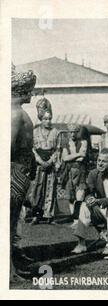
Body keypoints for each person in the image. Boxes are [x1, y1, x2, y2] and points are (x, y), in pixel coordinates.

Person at [71, 148, 108, 255]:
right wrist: (89, 199)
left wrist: (97, 201)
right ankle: (81, 244)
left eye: (104, 161)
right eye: (99, 160)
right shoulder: (93, 173)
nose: (100, 164)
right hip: (101, 209)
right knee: (84, 206)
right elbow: (88, 192)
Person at [10, 66, 37, 281]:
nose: (32, 94)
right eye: (30, 90)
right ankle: (8, 272)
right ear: (22, 90)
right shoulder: (15, 113)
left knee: (11, 221)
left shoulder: (16, 111)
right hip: (14, 172)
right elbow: (8, 147)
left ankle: (11, 269)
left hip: (21, 171)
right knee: (8, 222)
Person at [28, 98, 60, 224]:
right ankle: (36, 214)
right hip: (39, 163)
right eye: (45, 119)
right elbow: (33, 149)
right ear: (41, 119)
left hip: (50, 164)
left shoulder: (55, 132)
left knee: (50, 188)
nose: (47, 121)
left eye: (49, 119)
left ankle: (49, 216)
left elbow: (57, 149)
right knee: (37, 188)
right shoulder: (35, 132)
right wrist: (40, 161)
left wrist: (51, 161)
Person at [61, 123, 88, 225]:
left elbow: (82, 157)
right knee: (70, 196)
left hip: (80, 170)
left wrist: (71, 156)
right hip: (69, 171)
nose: (72, 134)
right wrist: (78, 154)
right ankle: (75, 219)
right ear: (68, 133)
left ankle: (79, 217)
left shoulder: (83, 142)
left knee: (80, 195)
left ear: (78, 133)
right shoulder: (66, 143)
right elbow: (64, 158)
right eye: (71, 132)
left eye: (74, 132)